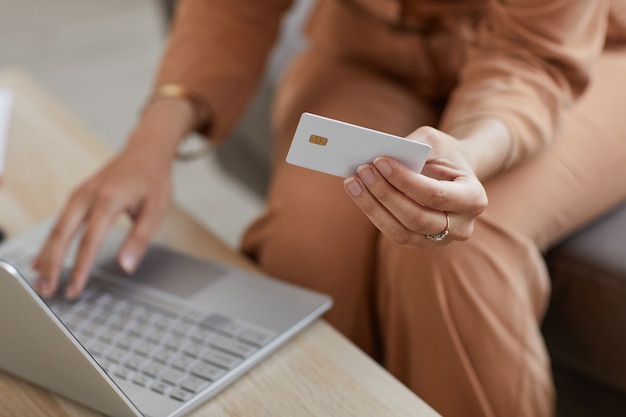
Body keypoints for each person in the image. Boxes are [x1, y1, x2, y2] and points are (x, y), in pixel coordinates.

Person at [33, 1, 626, 416]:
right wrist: (150, 144)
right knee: (309, 238)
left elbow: (532, 56)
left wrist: (467, 154)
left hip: (582, 50)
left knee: (456, 247)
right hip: (369, 49)